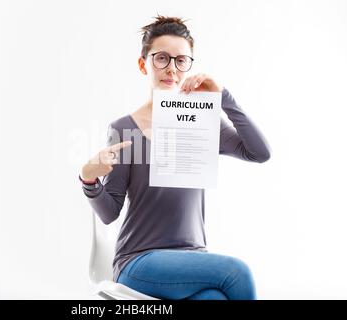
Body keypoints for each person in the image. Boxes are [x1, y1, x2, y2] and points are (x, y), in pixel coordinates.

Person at [79, 15, 271, 300]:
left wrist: (223, 98)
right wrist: (89, 177)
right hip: (139, 260)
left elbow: (259, 153)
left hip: (193, 257)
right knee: (237, 272)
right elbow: (109, 213)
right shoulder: (124, 129)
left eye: (181, 60)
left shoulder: (204, 122)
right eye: (162, 59)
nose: (172, 69)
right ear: (144, 64)